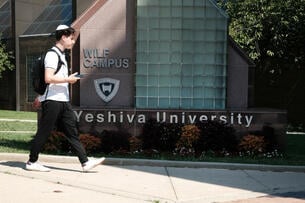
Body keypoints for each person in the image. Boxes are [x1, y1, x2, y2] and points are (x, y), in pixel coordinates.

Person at [26, 24, 105, 172]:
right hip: (53, 101)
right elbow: (48, 78)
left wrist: (41, 94)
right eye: (71, 38)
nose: (73, 41)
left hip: (62, 100)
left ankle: (85, 162)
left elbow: (50, 79)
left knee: (71, 132)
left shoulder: (61, 55)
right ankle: (31, 162)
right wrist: (68, 80)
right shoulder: (52, 55)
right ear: (63, 37)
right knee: (44, 131)